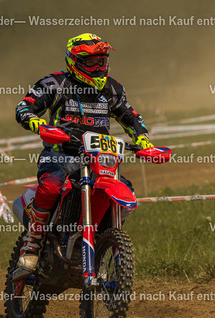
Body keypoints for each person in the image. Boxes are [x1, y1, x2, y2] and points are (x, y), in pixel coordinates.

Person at [13, 33, 153, 278]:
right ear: (74, 62)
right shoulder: (55, 83)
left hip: (99, 159)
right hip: (60, 154)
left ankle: (101, 241)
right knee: (52, 186)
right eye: (91, 62)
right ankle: (32, 244)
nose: (98, 68)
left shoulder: (112, 89)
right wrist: (38, 124)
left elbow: (131, 117)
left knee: (126, 193)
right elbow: (24, 107)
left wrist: (142, 140)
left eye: (102, 61)